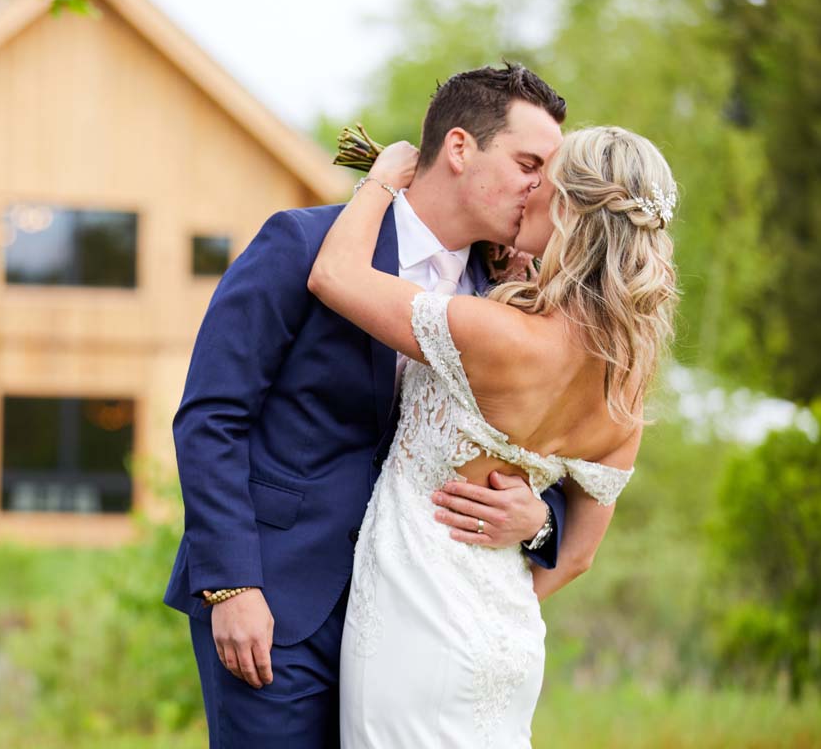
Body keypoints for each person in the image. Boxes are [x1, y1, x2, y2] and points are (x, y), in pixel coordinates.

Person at [163, 64, 571, 748]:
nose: (542, 187)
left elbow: (549, 459)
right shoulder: (300, 243)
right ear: (462, 148)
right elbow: (212, 417)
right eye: (529, 162)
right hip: (279, 604)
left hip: (416, 630)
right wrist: (231, 585)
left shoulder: (507, 305)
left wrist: (539, 522)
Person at [310, 124, 678, 746]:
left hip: (415, 625)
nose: (528, 187)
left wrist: (381, 180)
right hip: (507, 634)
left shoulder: (497, 335)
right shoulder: (624, 390)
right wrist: (524, 541)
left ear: (566, 209)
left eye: (544, 178)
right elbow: (580, 554)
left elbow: (334, 275)